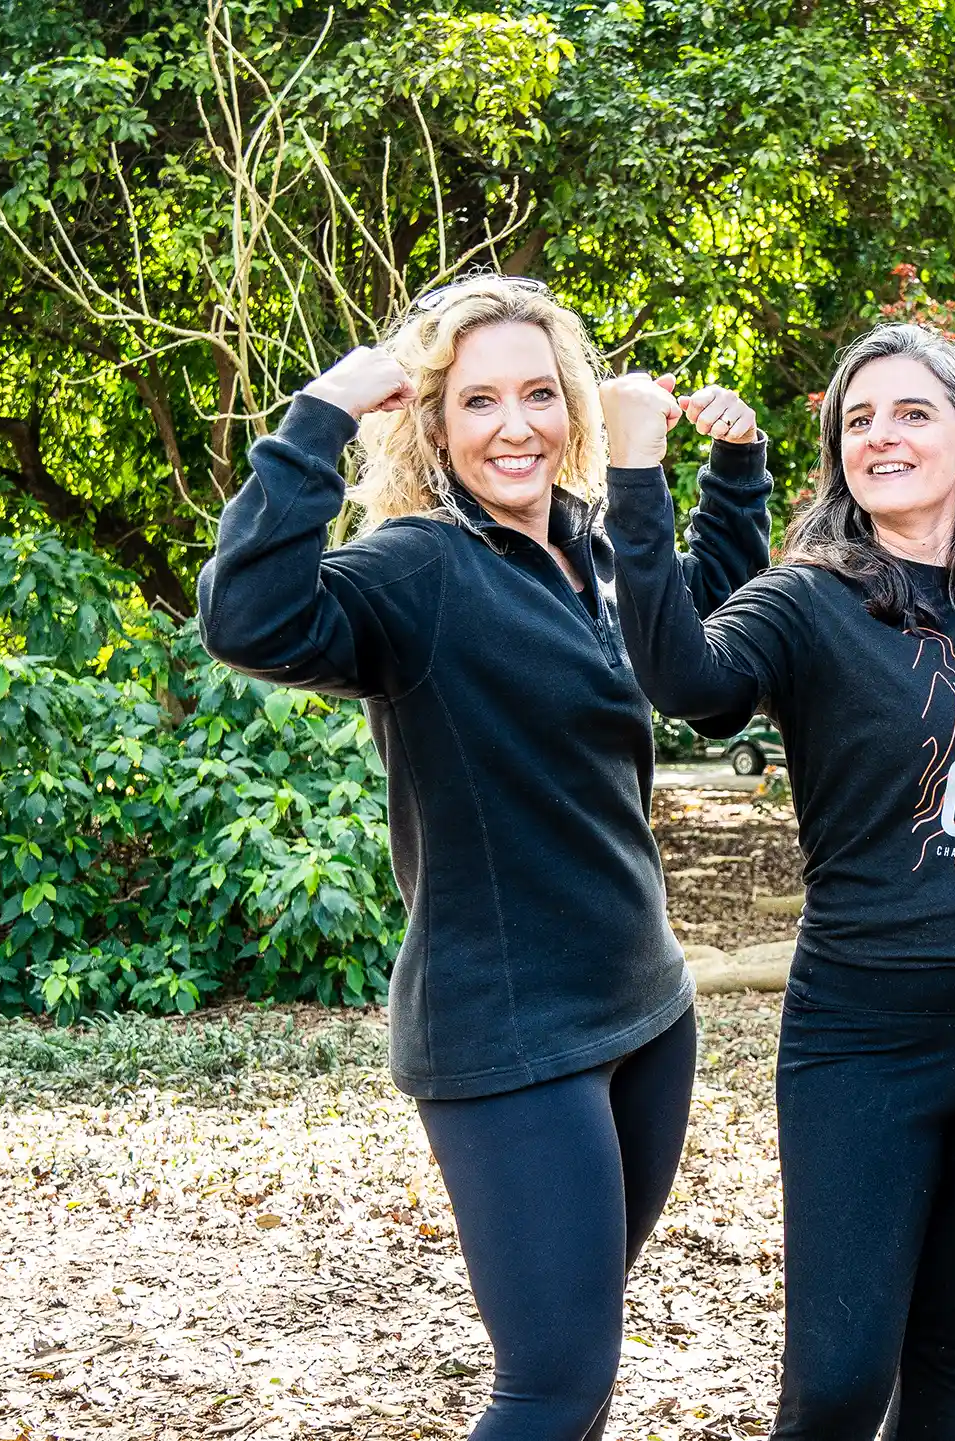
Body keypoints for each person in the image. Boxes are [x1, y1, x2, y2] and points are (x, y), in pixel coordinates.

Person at [196, 275, 773, 1441]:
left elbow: (700, 635)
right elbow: (247, 620)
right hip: (511, 1037)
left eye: (539, 394)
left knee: (580, 1352)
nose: (516, 426)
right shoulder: (417, 570)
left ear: (573, 408)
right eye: (478, 402)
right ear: (434, 425)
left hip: (646, 1012)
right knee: (548, 1386)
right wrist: (314, 419)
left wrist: (735, 476)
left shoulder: (587, 549)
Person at [602, 322, 955, 1440]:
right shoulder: (805, 602)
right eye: (857, 420)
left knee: (949, 1364)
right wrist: (635, 474)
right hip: (865, 1035)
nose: (880, 435)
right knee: (838, 1384)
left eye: (912, 412)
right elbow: (686, 682)